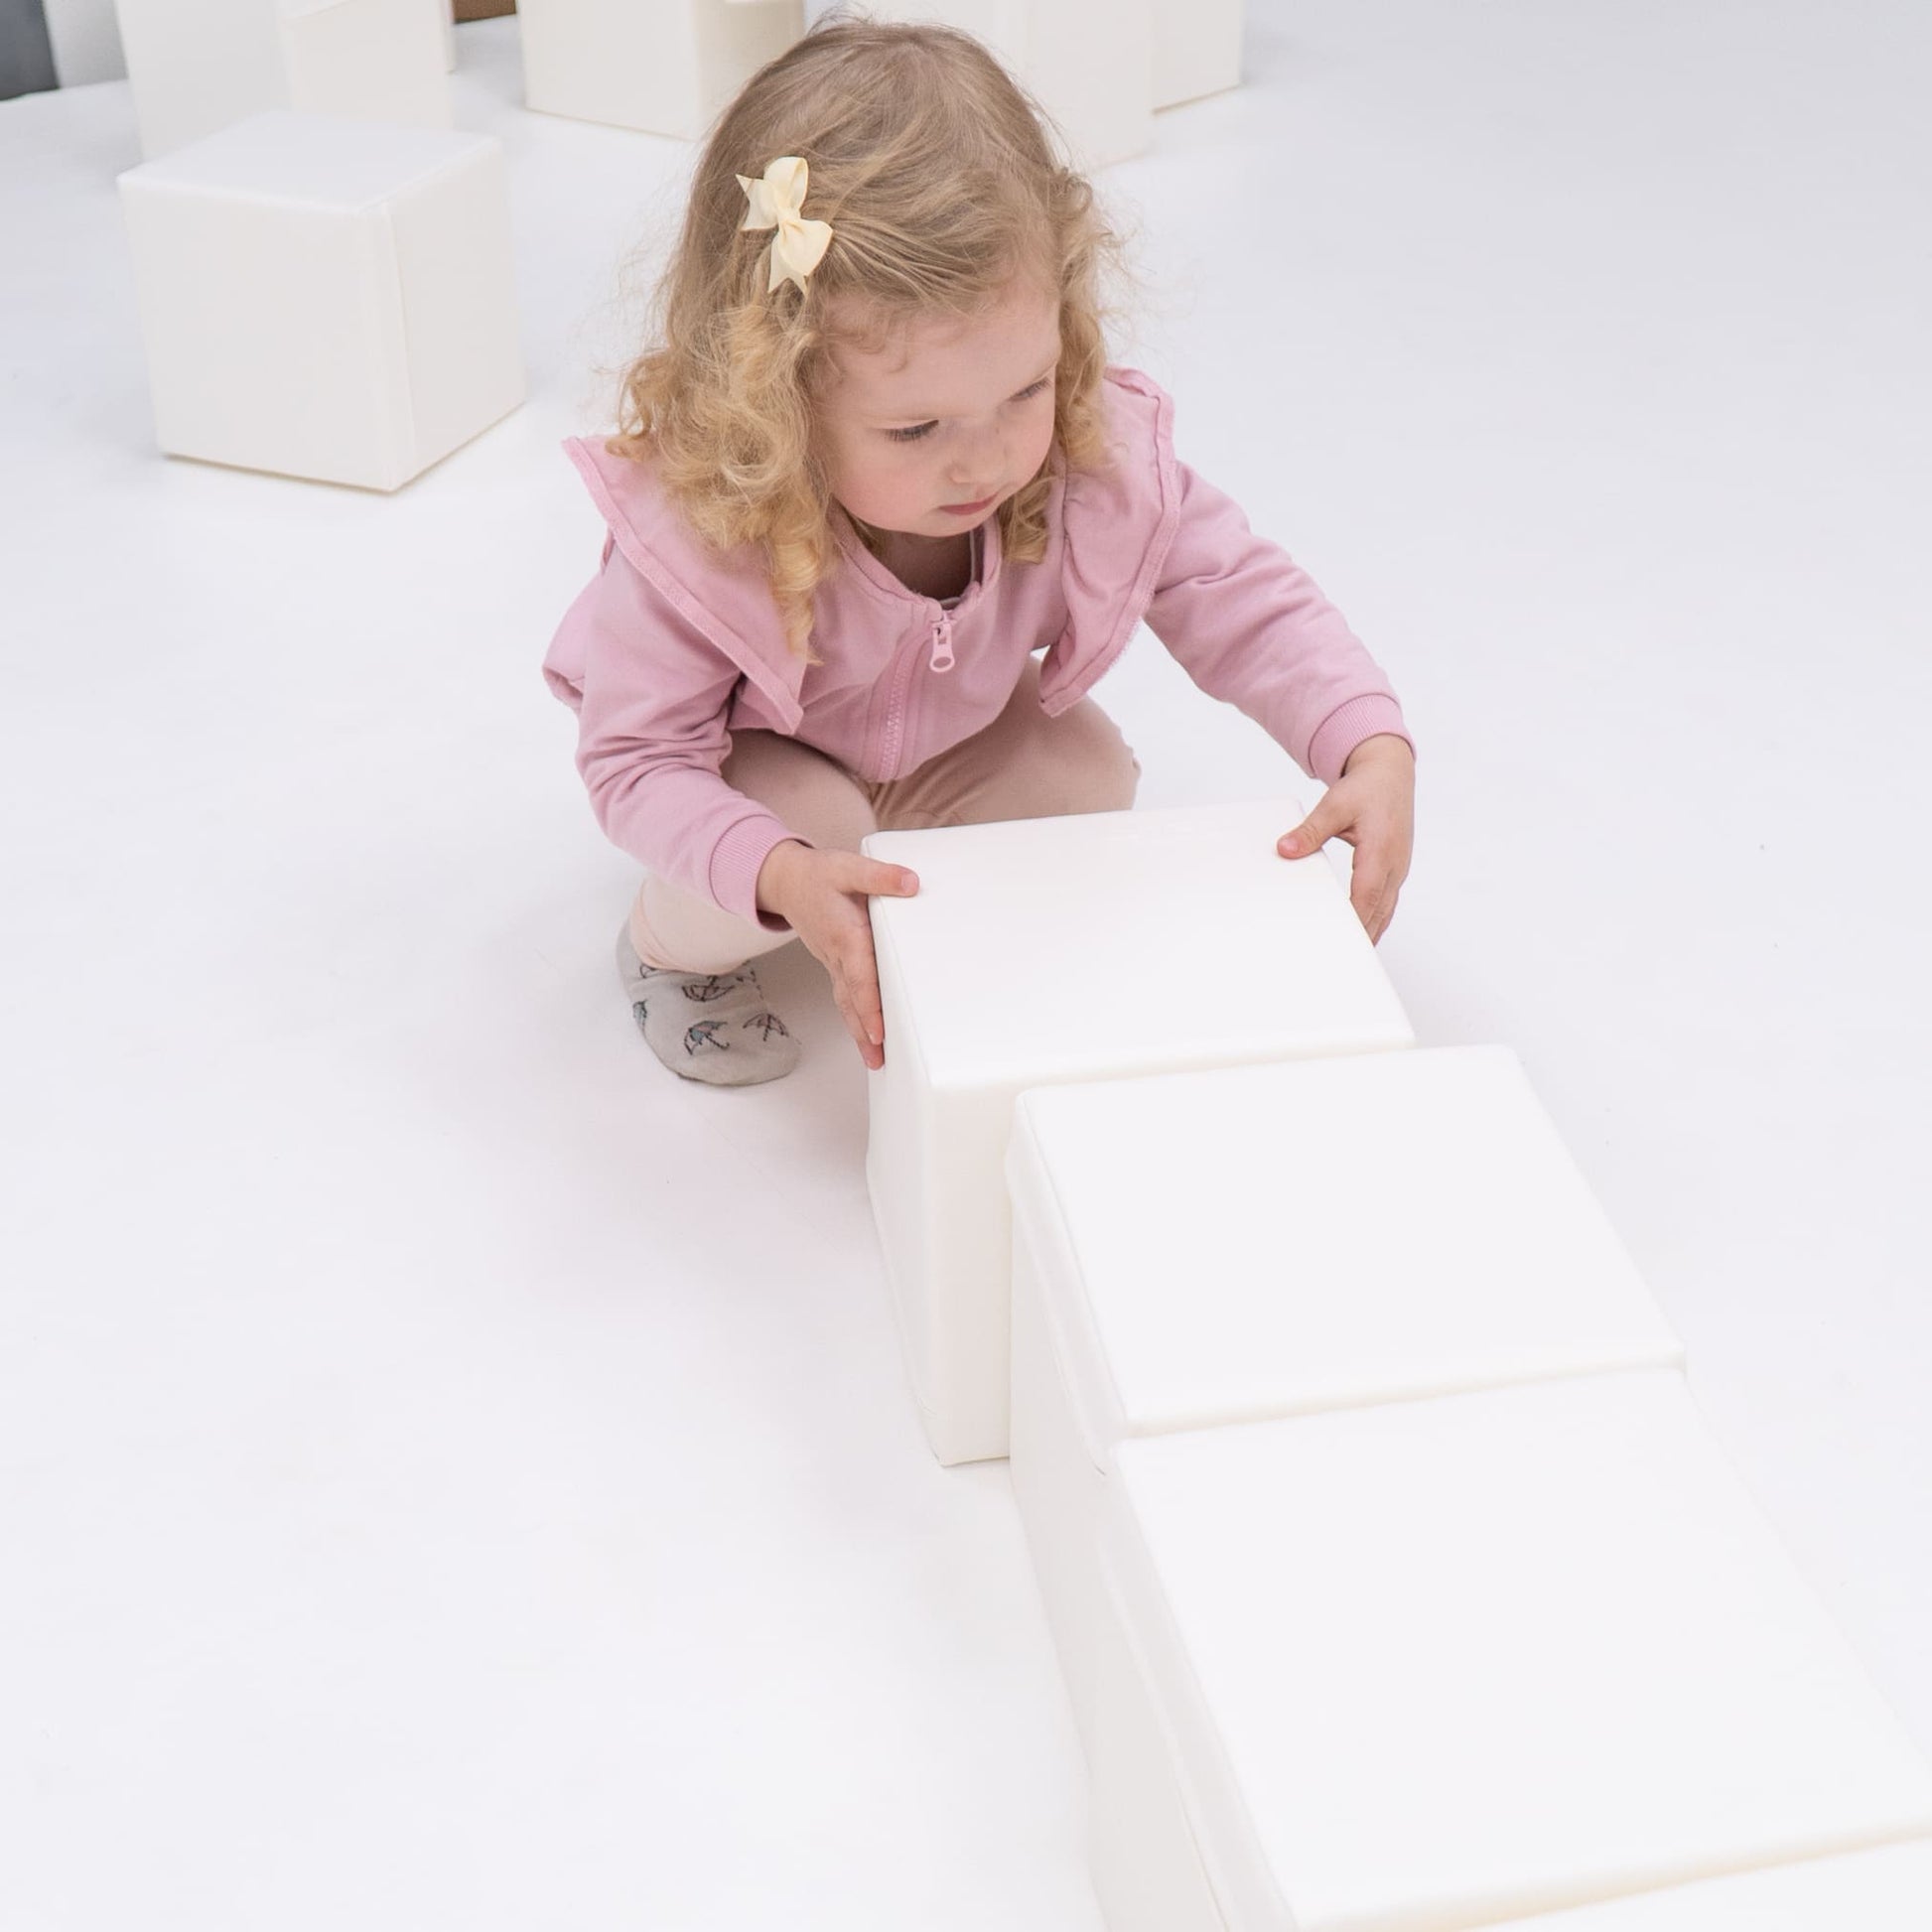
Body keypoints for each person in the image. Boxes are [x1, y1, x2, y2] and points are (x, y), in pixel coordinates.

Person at [541, 15, 1416, 1089]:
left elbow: (1236, 591)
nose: (987, 460)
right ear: (776, 397)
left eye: (1024, 390)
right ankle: (666, 953)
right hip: (759, 763)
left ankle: (912, 898)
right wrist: (776, 868)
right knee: (813, 822)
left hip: (936, 746)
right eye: (915, 429)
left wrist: (1367, 741)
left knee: (1085, 776)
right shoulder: (704, 530)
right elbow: (637, 763)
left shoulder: (1084, 458)